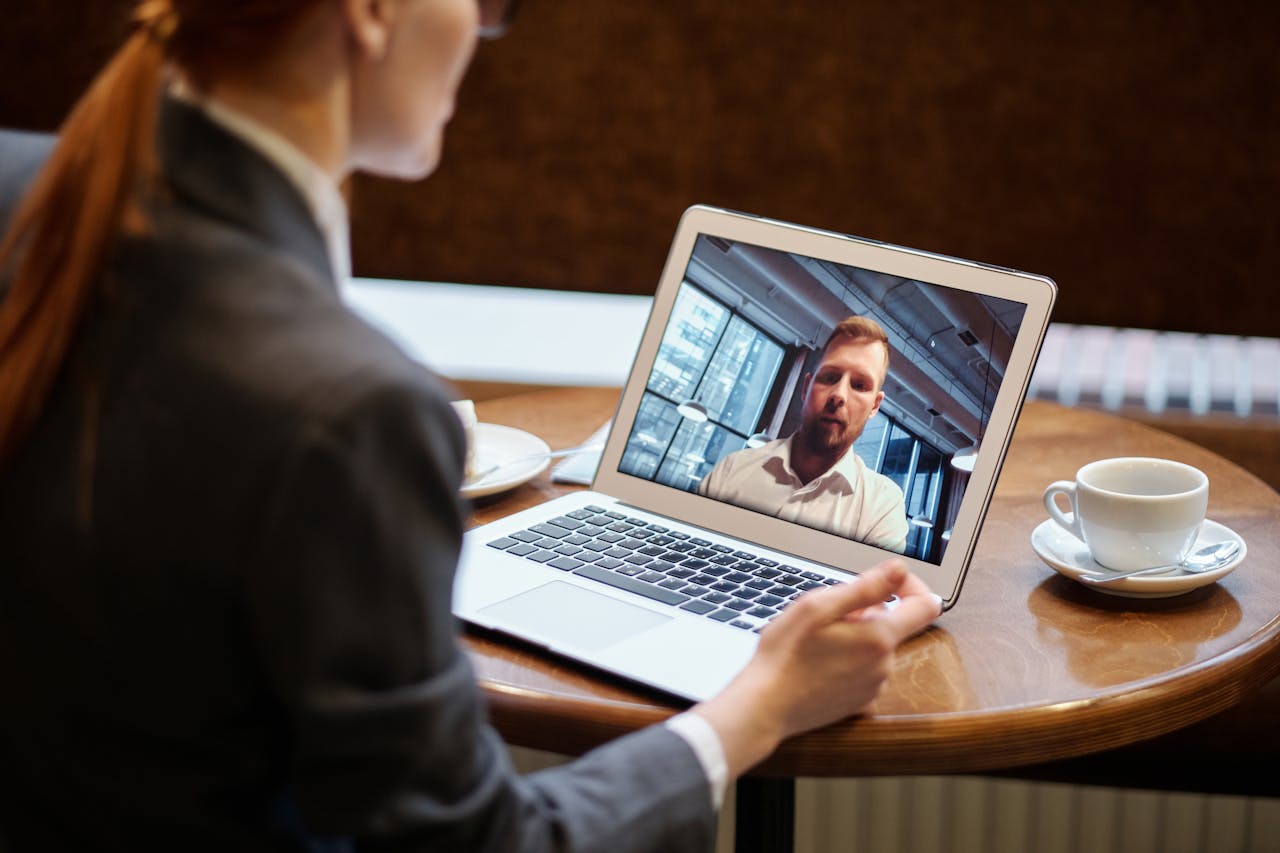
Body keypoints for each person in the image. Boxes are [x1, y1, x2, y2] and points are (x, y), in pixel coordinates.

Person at [0, 1, 941, 850]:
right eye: (491, 4)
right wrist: (758, 706)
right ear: (371, 12)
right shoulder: (353, 408)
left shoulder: (25, 192)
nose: (487, 33)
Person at [698, 316, 909, 552]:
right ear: (806, 387)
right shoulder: (732, 471)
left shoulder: (882, 505)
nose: (838, 394)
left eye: (859, 385)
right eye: (830, 377)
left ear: (874, 406)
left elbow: (873, 589)